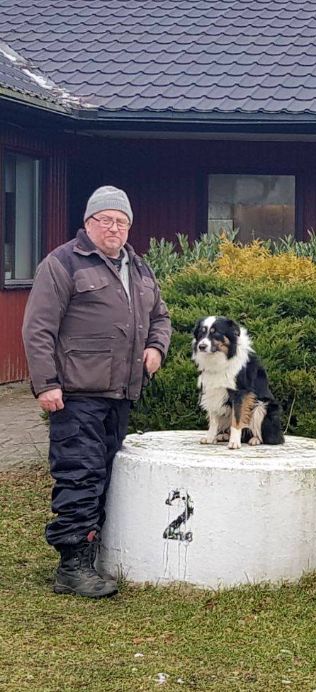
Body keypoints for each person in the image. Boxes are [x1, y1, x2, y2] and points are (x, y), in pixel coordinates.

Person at [22, 185, 171, 597]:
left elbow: (161, 315)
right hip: (76, 394)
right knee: (80, 473)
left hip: (120, 393)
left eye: (121, 222)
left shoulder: (139, 268)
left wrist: (157, 347)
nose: (114, 228)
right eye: (105, 220)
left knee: (104, 474)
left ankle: (92, 552)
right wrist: (46, 384)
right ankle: (71, 566)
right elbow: (38, 328)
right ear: (88, 223)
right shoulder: (63, 263)